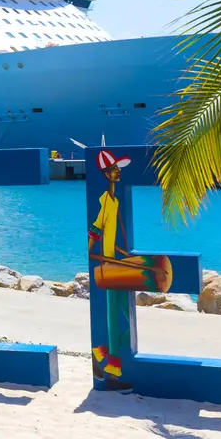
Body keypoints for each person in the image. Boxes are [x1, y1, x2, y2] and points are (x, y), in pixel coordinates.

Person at [88, 149, 133, 391]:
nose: (118, 172)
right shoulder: (106, 199)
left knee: (124, 319)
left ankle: (100, 353)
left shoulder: (114, 200)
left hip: (116, 261)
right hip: (109, 267)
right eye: (115, 169)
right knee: (116, 322)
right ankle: (113, 375)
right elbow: (97, 227)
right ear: (106, 173)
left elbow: (109, 232)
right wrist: (90, 251)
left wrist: (121, 251)